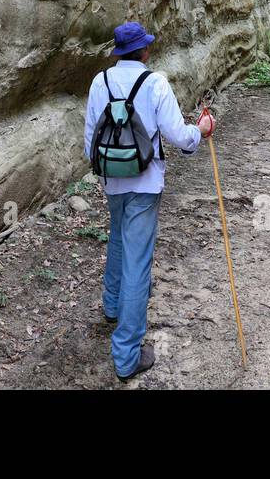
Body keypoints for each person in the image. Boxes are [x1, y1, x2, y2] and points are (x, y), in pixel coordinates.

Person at [83, 20, 214, 380]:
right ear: (143, 50)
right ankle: (126, 357)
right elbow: (178, 136)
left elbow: (89, 140)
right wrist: (200, 131)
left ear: (117, 52)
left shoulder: (101, 82)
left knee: (118, 240)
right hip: (146, 182)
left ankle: (111, 306)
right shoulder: (155, 83)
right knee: (138, 261)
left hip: (113, 179)